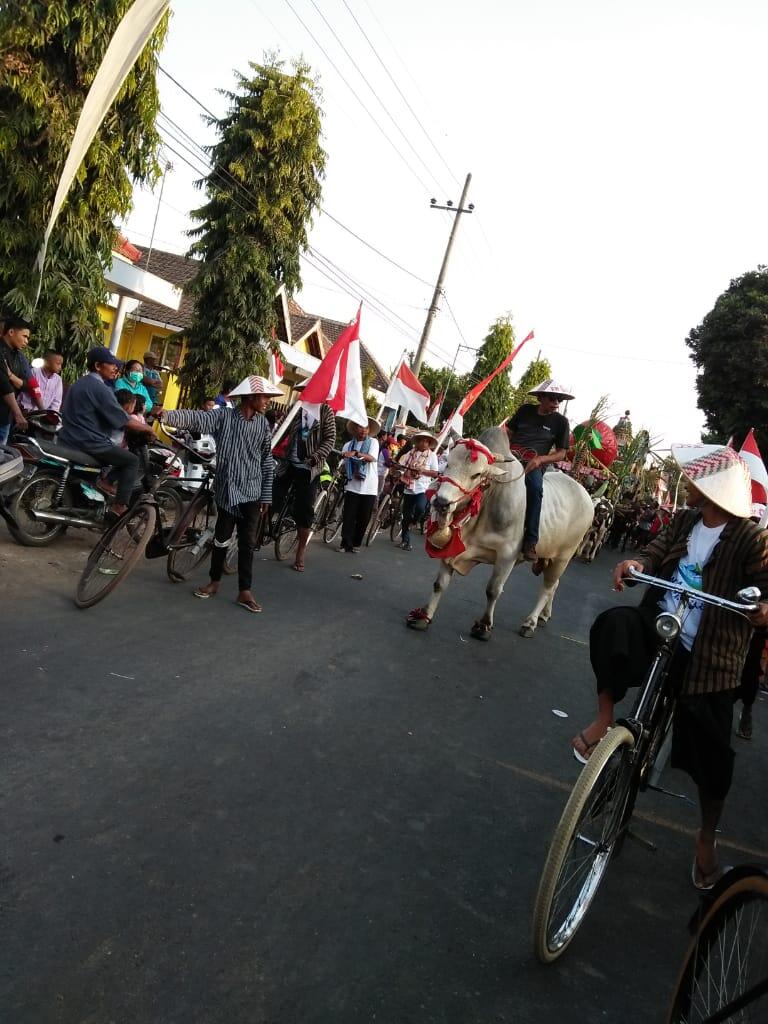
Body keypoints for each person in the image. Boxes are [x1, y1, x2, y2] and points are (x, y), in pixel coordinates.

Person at [572, 445, 768, 890]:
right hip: (660, 627)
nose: (690, 485)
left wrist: (762, 610)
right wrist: (635, 563)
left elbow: (766, 588)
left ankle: (705, 837)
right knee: (612, 625)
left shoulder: (751, 539)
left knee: (713, 754)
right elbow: (654, 551)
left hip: (712, 654)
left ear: (713, 489)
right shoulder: (684, 521)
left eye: (698, 480)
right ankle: (606, 718)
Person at [161, 375, 281, 613]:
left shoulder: (262, 425)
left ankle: (244, 590)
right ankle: (214, 581)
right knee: (221, 538)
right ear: (251, 397)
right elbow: (198, 419)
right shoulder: (223, 416)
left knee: (247, 543)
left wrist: (266, 495)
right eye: (265, 397)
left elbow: (267, 460)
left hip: (252, 490)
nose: (268, 401)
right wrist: (167, 415)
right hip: (227, 489)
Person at [58, 347, 155, 516]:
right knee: (131, 461)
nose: (115, 368)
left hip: (69, 437)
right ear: (97, 365)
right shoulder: (100, 388)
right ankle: (119, 506)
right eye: (111, 365)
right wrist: (147, 428)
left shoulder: (80, 383)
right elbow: (122, 418)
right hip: (88, 441)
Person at [506, 379, 572, 561]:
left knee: (535, 489)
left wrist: (541, 459)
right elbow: (509, 433)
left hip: (533, 463)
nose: (556, 404)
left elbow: (561, 453)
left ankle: (530, 541)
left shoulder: (561, 422)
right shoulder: (525, 410)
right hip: (510, 456)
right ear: (541, 397)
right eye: (552, 399)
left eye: (559, 400)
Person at [273, 389, 336, 571]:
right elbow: (282, 427)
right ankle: (261, 532)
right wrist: (270, 442)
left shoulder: (325, 411)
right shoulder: (298, 406)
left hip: (309, 468)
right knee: (270, 495)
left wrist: (316, 456)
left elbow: (330, 439)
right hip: (289, 462)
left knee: (304, 509)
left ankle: (301, 550)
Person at [338, 416, 380, 553]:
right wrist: (344, 462)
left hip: (369, 486)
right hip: (352, 485)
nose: (363, 430)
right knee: (349, 515)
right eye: (361, 426)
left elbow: (371, 458)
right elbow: (343, 465)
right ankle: (345, 543)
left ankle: (356, 543)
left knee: (363, 517)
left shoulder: (373, 442)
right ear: (356, 428)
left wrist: (355, 454)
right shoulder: (347, 445)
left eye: (366, 427)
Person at [394, 430, 439, 551]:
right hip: (408, 486)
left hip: (422, 488)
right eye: (422, 440)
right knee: (406, 515)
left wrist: (422, 471)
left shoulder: (432, 456)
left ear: (429, 444)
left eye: (426, 441)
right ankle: (405, 540)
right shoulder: (410, 453)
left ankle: (414, 521)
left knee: (420, 508)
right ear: (418, 442)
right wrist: (397, 466)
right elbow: (401, 463)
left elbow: (435, 473)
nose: (424, 443)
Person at [0, 315, 32, 443]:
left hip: (5, 418)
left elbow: (28, 385)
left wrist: (11, 376)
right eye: (24, 336)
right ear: (11, 332)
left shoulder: (19, 356)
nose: (26, 341)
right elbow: (3, 385)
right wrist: (18, 414)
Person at [19, 349, 63, 413]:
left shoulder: (58, 380)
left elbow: (56, 402)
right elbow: (26, 395)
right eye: (58, 364)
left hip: (44, 415)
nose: (60, 367)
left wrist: (52, 415)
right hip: (28, 411)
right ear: (47, 363)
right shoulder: (33, 372)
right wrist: (27, 411)